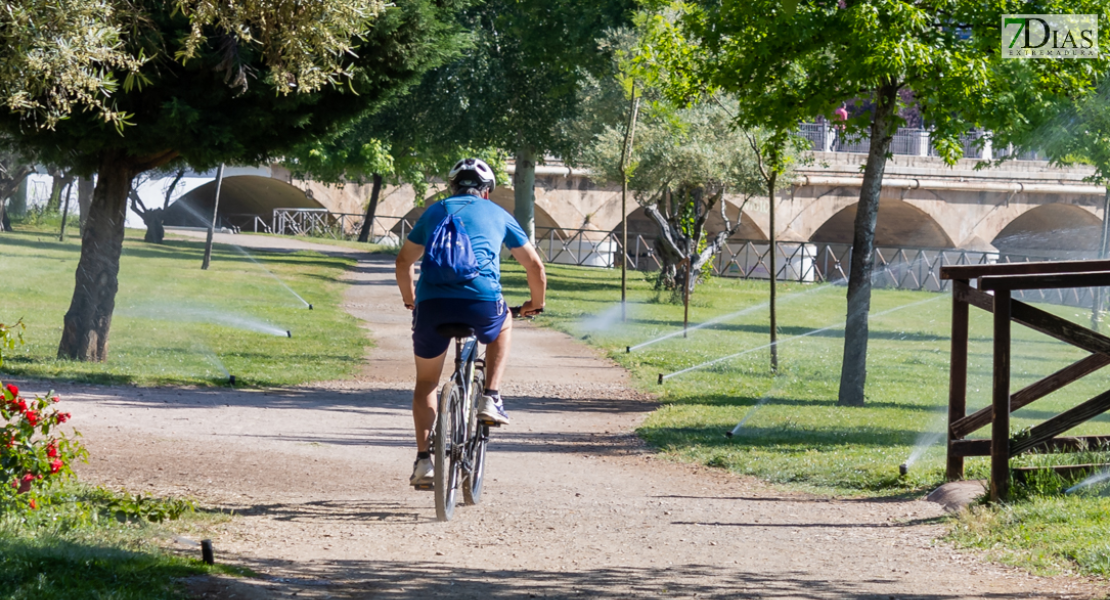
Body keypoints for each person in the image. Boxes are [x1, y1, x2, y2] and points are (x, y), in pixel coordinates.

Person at [395, 157, 547, 487]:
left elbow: (404, 261)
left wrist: (411, 300)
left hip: (432, 305)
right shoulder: (498, 214)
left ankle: (424, 461)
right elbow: (534, 267)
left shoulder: (435, 211)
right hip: (481, 302)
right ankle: (490, 396)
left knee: (426, 384)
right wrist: (536, 304)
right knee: (504, 318)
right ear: (487, 192)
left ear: (452, 187)